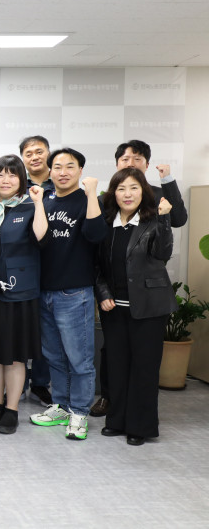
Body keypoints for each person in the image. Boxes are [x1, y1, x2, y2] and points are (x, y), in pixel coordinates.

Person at [91, 139, 188, 418]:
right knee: (113, 356)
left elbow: (176, 221)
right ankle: (110, 402)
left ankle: (139, 419)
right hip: (114, 298)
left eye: (137, 159)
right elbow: (95, 253)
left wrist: (167, 180)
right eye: (125, 159)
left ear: (147, 164)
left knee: (144, 361)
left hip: (146, 297)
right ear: (116, 165)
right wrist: (102, 291)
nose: (130, 163)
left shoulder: (155, 198)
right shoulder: (106, 203)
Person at [29, 148, 107, 441]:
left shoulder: (89, 200)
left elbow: (96, 235)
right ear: (49, 171)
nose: (63, 172)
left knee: (79, 359)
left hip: (75, 293)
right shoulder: (45, 200)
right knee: (54, 357)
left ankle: (80, 412)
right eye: (58, 167)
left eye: (70, 166)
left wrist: (92, 193)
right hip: (44, 292)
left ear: (80, 170)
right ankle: (61, 406)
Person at [95, 168, 176, 446]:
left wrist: (164, 218)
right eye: (121, 189)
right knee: (117, 367)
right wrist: (103, 293)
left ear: (143, 192)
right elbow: (96, 265)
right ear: (113, 193)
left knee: (144, 369)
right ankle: (116, 420)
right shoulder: (106, 224)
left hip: (149, 308)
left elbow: (163, 253)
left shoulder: (153, 221)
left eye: (133, 188)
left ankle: (140, 426)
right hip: (114, 309)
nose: (127, 194)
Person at [0, 155, 49, 435]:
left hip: (21, 294)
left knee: (15, 356)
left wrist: (39, 203)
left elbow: (41, 238)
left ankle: (12, 408)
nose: (5, 180)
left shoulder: (29, 205)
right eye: (0, 174)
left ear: (22, 179)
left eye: (12, 175)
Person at [18, 135, 54, 406]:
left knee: (45, 332)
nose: (34, 157)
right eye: (28, 153)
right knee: (19, 328)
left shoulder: (60, 183)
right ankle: (17, 383)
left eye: (39, 151)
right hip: (22, 268)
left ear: (48, 153)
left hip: (52, 268)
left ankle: (40, 384)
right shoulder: (17, 185)